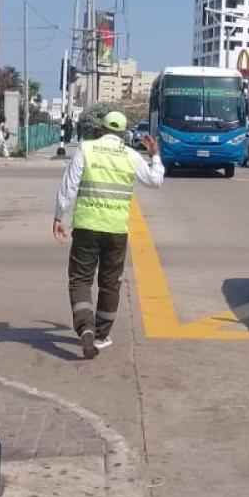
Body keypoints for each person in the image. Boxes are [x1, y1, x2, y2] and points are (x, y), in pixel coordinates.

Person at [53, 111, 164, 358]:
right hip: (116, 230)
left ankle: (85, 329)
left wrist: (59, 216)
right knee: (110, 283)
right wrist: (155, 155)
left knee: (81, 280)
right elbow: (156, 181)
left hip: (86, 227)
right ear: (124, 134)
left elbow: (69, 185)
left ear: (101, 129)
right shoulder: (130, 155)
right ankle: (101, 335)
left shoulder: (87, 148)